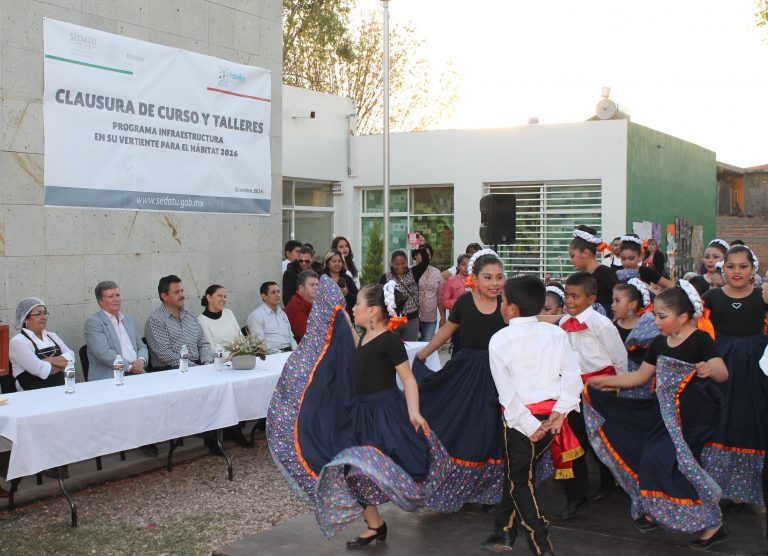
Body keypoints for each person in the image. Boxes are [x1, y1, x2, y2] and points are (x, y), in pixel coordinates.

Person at [267, 276, 507, 543]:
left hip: (384, 415)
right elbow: (339, 318)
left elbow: (407, 379)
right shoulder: (364, 336)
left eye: (357, 304)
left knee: (391, 467)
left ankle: (446, 492)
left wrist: (414, 412)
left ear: (372, 311)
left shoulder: (389, 342)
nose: (353, 308)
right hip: (360, 414)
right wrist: (333, 302)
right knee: (353, 471)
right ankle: (375, 524)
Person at [586, 284, 729, 548]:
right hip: (661, 416)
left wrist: (709, 368)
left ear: (683, 318)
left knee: (668, 463)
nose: (656, 321)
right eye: (656, 315)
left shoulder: (700, 341)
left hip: (688, 421)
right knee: (652, 459)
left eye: (662, 316)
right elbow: (640, 376)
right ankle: (656, 509)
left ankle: (712, 523)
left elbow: (722, 372)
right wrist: (607, 381)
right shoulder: (660, 343)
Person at [484, 275, 582, 555]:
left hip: (520, 422)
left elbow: (507, 395)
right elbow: (573, 377)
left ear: (512, 307)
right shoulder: (556, 333)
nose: (501, 306)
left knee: (519, 481)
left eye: (502, 301)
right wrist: (560, 414)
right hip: (551, 420)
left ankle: (541, 542)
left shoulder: (500, 340)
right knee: (518, 475)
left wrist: (528, 425)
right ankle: (502, 530)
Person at [412, 249, 508, 501]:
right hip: (466, 373)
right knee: (463, 423)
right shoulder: (465, 303)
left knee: (493, 427)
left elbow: (526, 326)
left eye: (499, 277)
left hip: (499, 374)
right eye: (488, 277)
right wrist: (422, 355)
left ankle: (492, 488)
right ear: (474, 279)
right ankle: (461, 482)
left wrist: (560, 318)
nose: (495, 283)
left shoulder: (508, 303)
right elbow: (445, 332)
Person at [701, 245, 768, 510]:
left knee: (748, 417)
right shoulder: (712, 297)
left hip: (754, 367)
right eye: (731, 266)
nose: (737, 271)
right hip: (721, 364)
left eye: (743, 266)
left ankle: (745, 491)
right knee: (720, 418)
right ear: (722, 268)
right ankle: (718, 486)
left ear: (753, 269)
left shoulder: (761, 298)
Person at [556, 271, 627, 517]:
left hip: (601, 389)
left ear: (591, 298)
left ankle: (609, 483)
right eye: (567, 295)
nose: (570, 301)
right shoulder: (563, 323)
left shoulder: (602, 324)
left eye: (576, 296)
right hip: (574, 390)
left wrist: (617, 388)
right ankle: (576, 497)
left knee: (602, 440)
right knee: (573, 443)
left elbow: (619, 358)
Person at [144, 275, 212, 370]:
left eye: (182, 291)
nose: (182, 295)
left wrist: (206, 362)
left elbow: (203, 343)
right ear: (164, 296)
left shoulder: (190, 316)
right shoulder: (156, 320)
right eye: (176, 292)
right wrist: (196, 368)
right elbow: (164, 354)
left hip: (197, 366)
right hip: (171, 370)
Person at [84, 281, 148, 381]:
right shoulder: (94, 323)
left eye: (117, 295)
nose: (116, 299)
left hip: (138, 373)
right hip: (112, 378)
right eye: (111, 296)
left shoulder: (128, 320)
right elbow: (103, 353)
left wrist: (141, 360)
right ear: (101, 301)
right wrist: (131, 367)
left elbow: (142, 346)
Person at [9, 297, 74, 391]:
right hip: (32, 393)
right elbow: (39, 370)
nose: (44, 317)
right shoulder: (18, 342)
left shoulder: (52, 336)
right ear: (25, 319)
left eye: (45, 313)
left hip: (60, 388)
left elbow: (72, 359)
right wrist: (62, 364)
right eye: (38, 314)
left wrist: (47, 360)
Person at [611, 279, 659, 399]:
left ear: (632, 304)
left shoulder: (648, 328)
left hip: (644, 389)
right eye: (612, 301)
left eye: (617, 301)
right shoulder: (610, 327)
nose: (612, 305)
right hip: (616, 386)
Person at [379, 247, 430, 341]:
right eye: (396, 264)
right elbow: (380, 297)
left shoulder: (414, 272)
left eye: (403, 263)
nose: (400, 266)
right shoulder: (386, 277)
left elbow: (425, 261)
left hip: (411, 319)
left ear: (407, 263)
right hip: (393, 320)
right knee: (393, 348)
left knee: (411, 347)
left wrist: (422, 247)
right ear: (392, 263)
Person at [569, 225, 619, 318]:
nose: (570, 260)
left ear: (585, 253)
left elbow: (622, 293)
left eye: (572, 256)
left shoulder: (603, 271)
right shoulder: (584, 276)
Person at [247, 281, 297, 352]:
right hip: (272, 355)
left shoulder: (282, 314)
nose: (277, 295)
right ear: (264, 296)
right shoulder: (256, 315)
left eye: (278, 292)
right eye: (273, 292)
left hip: (289, 352)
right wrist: (279, 353)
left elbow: (291, 338)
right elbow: (259, 344)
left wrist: (296, 351)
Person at [197, 284, 242, 353]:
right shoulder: (201, 321)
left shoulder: (228, 313)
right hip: (221, 362)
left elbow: (240, 338)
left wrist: (244, 353)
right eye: (220, 296)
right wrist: (234, 356)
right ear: (209, 297)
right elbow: (211, 349)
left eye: (225, 297)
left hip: (240, 358)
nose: (223, 299)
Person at [440, 253, 471, 352]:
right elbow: (444, 301)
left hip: (474, 318)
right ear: (458, 266)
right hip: (457, 319)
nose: (466, 267)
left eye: (469, 265)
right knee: (458, 348)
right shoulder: (451, 280)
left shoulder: (478, 280)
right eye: (463, 264)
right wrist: (459, 301)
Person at [414, 243, 444, 342]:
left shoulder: (437, 273)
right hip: (413, 318)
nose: (425, 256)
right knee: (412, 345)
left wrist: (443, 317)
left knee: (426, 346)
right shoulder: (410, 271)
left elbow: (439, 296)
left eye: (428, 254)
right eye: (422, 253)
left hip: (430, 318)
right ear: (416, 255)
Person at [320, 249, 358, 321]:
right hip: (327, 318)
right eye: (334, 261)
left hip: (346, 318)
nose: (337, 264)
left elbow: (357, 298)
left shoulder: (347, 278)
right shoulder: (322, 279)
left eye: (339, 261)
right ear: (327, 263)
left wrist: (347, 294)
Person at [284, 269, 319, 342]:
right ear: (301, 288)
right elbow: (305, 334)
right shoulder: (295, 305)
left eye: (317, 285)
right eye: (312, 285)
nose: (316, 288)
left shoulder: (315, 302)